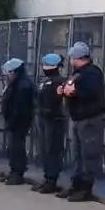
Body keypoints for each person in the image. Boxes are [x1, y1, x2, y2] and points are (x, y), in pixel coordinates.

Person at [61, 42, 105, 202]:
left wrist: (74, 92)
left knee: (89, 154)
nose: (70, 60)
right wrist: (63, 89)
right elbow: (70, 86)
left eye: (72, 57)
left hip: (90, 118)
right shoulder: (77, 73)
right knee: (77, 154)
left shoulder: (92, 73)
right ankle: (76, 184)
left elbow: (92, 93)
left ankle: (86, 188)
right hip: (78, 117)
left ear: (78, 58)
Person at [34, 53, 70, 195]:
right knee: (44, 149)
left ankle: (52, 179)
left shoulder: (60, 81)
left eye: (48, 65)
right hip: (43, 117)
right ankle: (47, 177)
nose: (45, 68)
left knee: (52, 149)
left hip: (54, 119)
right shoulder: (45, 81)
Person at [0, 57, 35, 186]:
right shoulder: (16, 83)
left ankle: (18, 172)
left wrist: (13, 119)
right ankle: (13, 169)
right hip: (13, 120)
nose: (9, 75)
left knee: (17, 147)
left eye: (10, 72)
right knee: (13, 147)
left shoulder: (23, 85)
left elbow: (20, 106)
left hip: (19, 121)